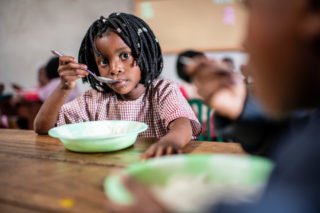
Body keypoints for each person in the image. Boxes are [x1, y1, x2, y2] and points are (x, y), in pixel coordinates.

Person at [106, 0, 320, 212]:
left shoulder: (164, 90)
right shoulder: (97, 97)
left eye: (250, 9)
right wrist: (246, 112)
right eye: (104, 61)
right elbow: (300, 156)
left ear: (312, 14)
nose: (245, 42)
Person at [34, 13, 201, 158]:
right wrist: (64, 87)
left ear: (145, 54)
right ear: (94, 66)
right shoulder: (94, 100)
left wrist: (170, 142)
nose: (114, 69)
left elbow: (183, 125)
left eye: (124, 55)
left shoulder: (162, 90)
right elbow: (42, 128)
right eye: (104, 61)